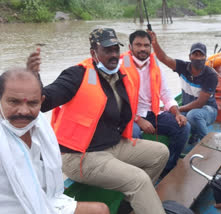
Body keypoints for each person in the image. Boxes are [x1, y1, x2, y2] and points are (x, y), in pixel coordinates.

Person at [27, 28, 169, 214]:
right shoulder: (76, 75)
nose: (113, 55)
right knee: (139, 179)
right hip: (81, 156)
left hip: (113, 146)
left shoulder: (119, 75)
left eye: (115, 50)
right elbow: (43, 101)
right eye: (107, 50)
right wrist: (33, 78)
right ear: (94, 52)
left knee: (160, 152)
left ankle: (129, 204)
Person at [0, 68, 109, 214]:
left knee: (101, 210)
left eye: (32, 103)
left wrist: (53, 183)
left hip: (44, 201)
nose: (24, 111)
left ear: (42, 101)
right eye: (14, 102)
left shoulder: (40, 126)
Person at [121, 30, 190, 175]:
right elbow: (117, 101)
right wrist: (138, 120)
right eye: (138, 45)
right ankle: (137, 174)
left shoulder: (154, 64)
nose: (142, 49)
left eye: (146, 45)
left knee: (183, 127)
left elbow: (165, 93)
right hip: (129, 115)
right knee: (133, 133)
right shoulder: (120, 65)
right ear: (130, 47)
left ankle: (167, 168)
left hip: (152, 112)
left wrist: (177, 113)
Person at [147, 30, 218, 144]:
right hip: (187, 108)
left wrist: (177, 109)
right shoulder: (182, 67)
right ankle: (193, 133)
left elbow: (200, 103)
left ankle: (208, 144)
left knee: (193, 115)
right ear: (190, 56)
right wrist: (154, 42)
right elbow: (163, 58)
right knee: (171, 118)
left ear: (205, 57)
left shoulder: (211, 75)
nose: (198, 58)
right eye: (195, 54)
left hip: (208, 110)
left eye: (201, 55)